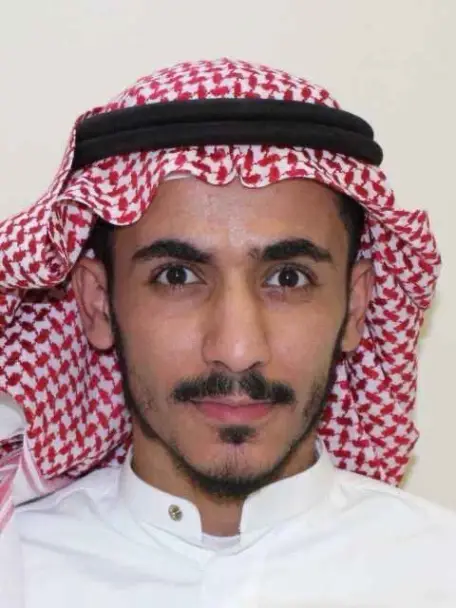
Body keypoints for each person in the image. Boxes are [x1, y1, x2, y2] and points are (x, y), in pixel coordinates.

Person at [0, 58, 455, 607]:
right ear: (98, 303)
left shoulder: (438, 571)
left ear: (356, 305)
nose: (237, 351)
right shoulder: (16, 571)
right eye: (177, 277)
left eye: (288, 278)